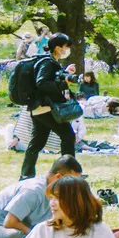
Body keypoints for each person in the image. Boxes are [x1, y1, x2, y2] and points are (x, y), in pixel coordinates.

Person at [20, 34, 79, 180]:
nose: (68, 50)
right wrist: (65, 83)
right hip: (46, 107)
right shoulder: (47, 62)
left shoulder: (50, 61)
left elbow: (51, 79)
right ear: (58, 48)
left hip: (39, 108)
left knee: (37, 142)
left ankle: (26, 175)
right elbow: (42, 83)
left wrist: (65, 73)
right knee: (68, 136)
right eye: (66, 47)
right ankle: (68, 173)